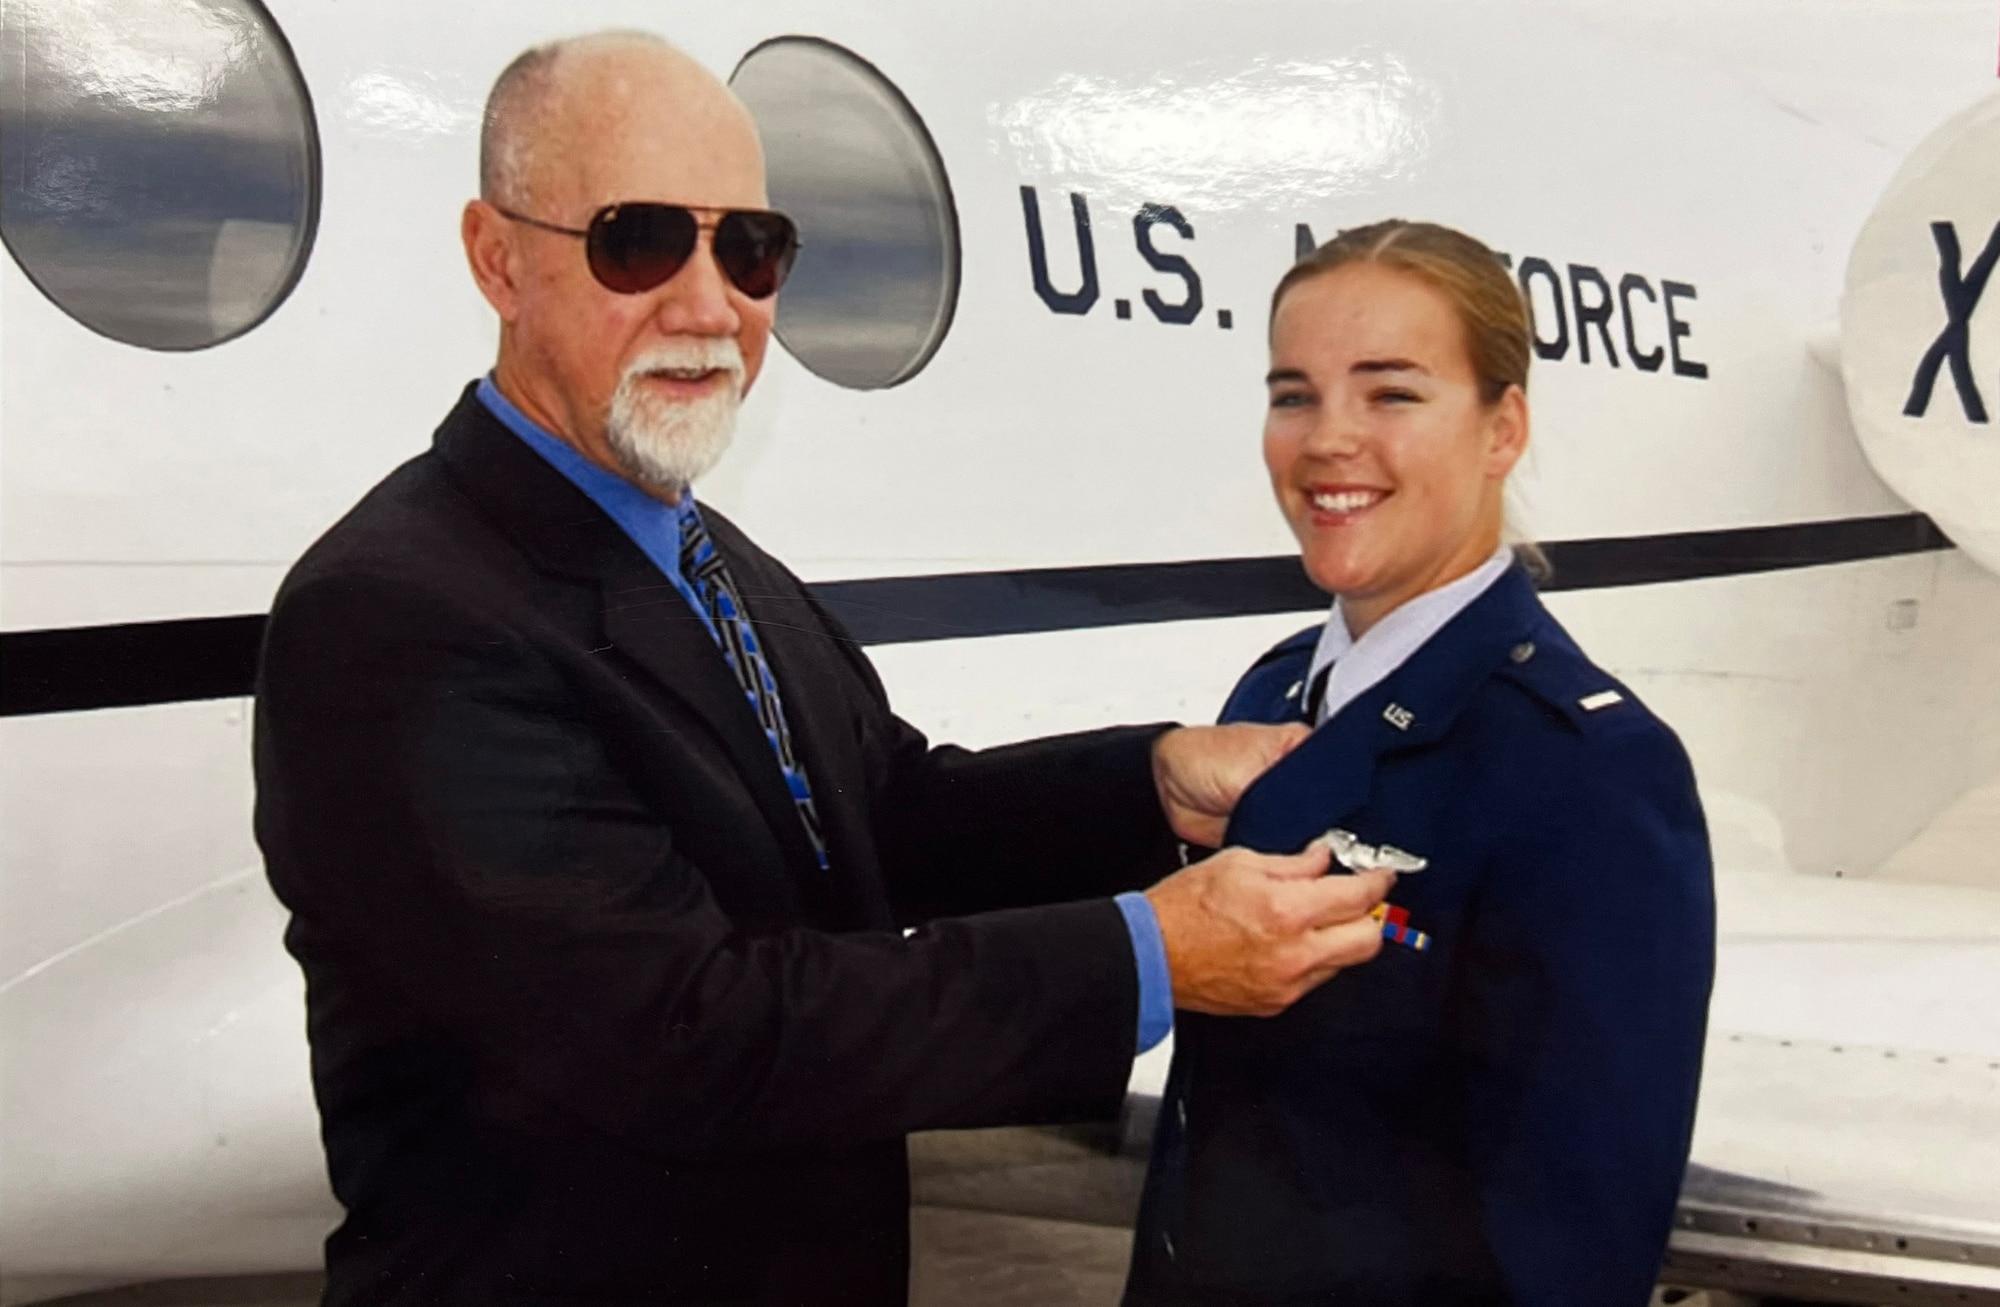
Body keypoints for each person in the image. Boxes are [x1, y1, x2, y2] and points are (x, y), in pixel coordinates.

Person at [253, 31, 1393, 1307]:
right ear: (496, 257)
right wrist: (1141, 958)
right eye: (639, 241)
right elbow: (688, 1034)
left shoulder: (707, 555)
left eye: (748, 249)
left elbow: (882, 815)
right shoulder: (398, 616)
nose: (707, 306)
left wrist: (1149, 784)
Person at [1123, 220, 1716, 1307]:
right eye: (1292, 394)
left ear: (1502, 428)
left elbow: (1572, 1244)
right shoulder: (1266, 698)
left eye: (1390, 394)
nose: (1326, 440)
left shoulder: (1586, 770)